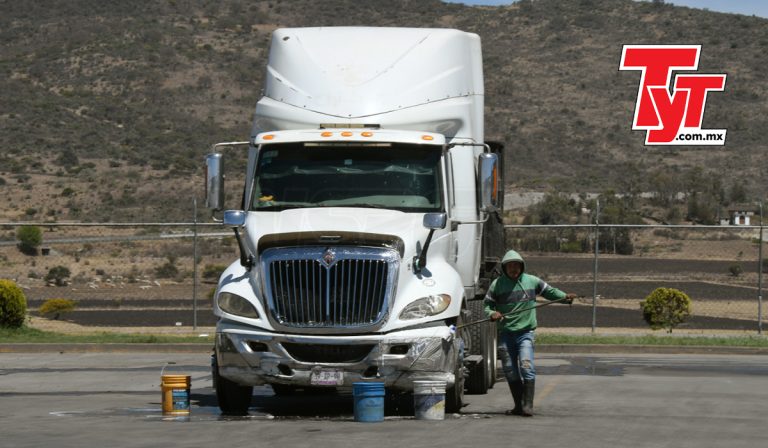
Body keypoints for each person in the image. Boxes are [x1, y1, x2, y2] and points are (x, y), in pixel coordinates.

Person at [484, 249, 577, 417]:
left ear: (522, 266)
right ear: (504, 268)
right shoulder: (496, 285)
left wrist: (565, 297)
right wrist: (492, 314)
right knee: (509, 369)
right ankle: (518, 406)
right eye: (510, 266)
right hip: (506, 334)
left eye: (517, 265)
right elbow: (487, 305)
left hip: (525, 333)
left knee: (526, 366)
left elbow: (550, 291)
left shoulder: (532, 281)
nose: (514, 269)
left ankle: (527, 406)